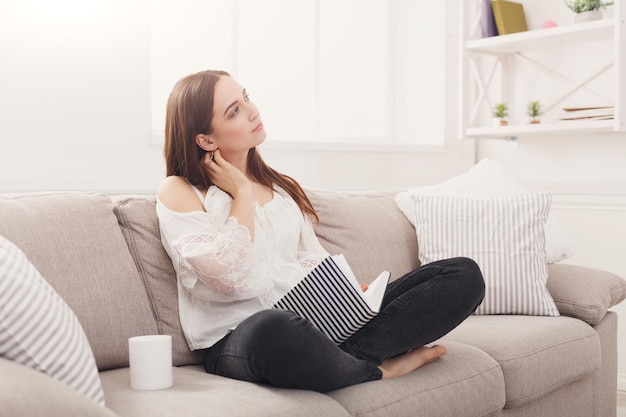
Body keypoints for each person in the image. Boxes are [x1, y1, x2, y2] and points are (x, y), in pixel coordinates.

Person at [156, 69, 485, 392]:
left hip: (319, 326)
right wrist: (240, 192)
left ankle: (341, 361)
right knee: (273, 326)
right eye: (235, 111)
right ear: (205, 139)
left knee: (462, 275)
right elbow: (231, 279)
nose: (253, 111)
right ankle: (375, 370)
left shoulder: (280, 190)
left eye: (246, 98)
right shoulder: (180, 190)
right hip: (243, 337)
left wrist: (350, 293)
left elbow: (312, 259)